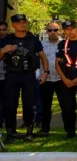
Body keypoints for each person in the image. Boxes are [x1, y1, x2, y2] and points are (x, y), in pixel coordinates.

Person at [0, 14, 49, 142]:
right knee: (10, 104)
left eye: (24, 22)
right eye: (19, 22)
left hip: (28, 75)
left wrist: (45, 72)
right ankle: (11, 132)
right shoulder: (7, 39)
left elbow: (43, 56)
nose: (22, 24)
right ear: (13, 25)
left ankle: (29, 131)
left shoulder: (33, 39)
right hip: (12, 74)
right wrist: (2, 51)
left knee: (30, 104)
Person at [36, 22, 62, 137]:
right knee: (45, 106)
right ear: (46, 32)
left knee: (66, 105)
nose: (53, 32)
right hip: (45, 79)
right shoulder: (40, 44)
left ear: (59, 31)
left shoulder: (64, 44)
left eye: (55, 30)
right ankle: (45, 129)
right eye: (50, 30)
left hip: (61, 79)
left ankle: (69, 131)